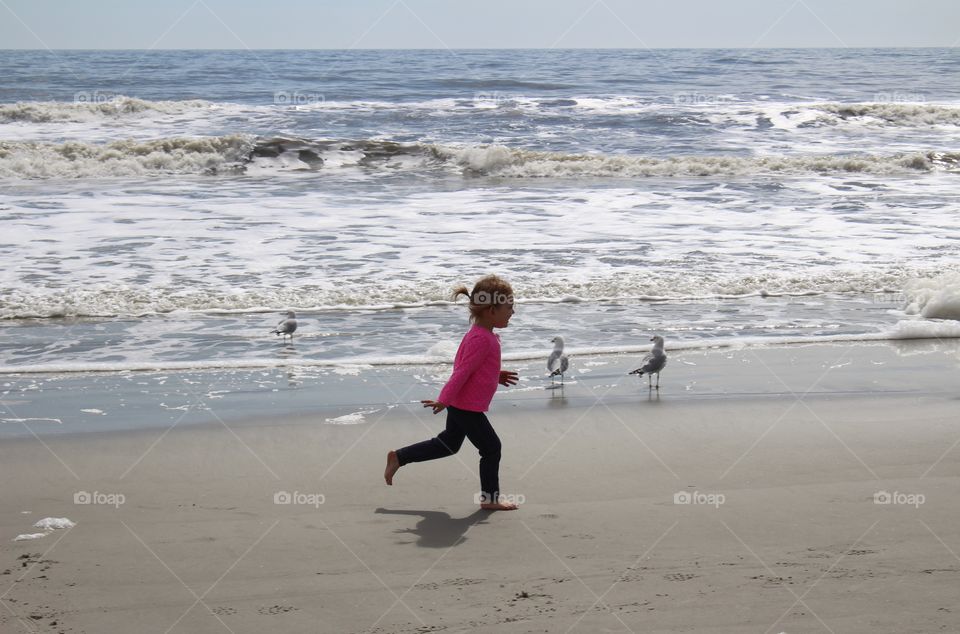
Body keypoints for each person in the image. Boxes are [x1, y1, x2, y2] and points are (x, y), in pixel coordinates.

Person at [384, 275, 520, 511]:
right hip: (466, 406)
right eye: (509, 307)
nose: (513, 312)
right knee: (491, 448)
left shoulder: (480, 334)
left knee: (448, 444)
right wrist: (444, 400)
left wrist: (494, 374)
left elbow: (474, 369)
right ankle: (490, 498)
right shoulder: (482, 339)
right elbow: (462, 372)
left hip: (462, 403)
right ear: (491, 310)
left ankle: (399, 457)